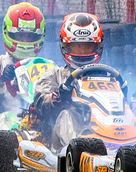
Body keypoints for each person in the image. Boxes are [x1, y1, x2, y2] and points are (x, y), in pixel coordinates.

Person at [27, 13, 120, 143]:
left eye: (88, 46)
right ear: (66, 46)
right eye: (77, 46)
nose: (82, 52)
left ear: (98, 46)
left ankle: (130, 145)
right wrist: (60, 97)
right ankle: (79, 146)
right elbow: (40, 105)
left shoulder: (109, 78)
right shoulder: (53, 75)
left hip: (103, 131)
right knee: (67, 115)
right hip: (56, 139)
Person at [0, 2, 46, 118]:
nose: (25, 41)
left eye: (30, 36)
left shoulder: (47, 68)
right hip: (5, 124)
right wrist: (0, 78)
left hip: (38, 125)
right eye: (20, 35)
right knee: (6, 119)